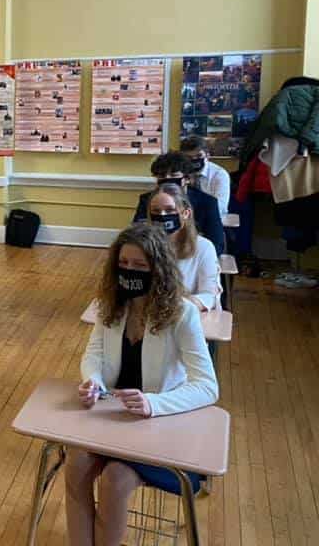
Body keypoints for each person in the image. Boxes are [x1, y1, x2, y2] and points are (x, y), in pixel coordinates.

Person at [65, 222, 218, 546]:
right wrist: (93, 382)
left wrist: (153, 403)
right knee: (76, 464)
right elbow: (94, 354)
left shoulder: (182, 314)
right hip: (111, 419)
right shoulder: (111, 304)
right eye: (123, 264)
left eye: (139, 265)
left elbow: (207, 385)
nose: (129, 272)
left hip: (158, 427)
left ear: (157, 269)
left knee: (115, 479)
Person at [133, 151, 224, 255]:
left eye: (174, 175)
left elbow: (217, 244)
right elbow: (137, 235)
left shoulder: (207, 202)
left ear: (187, 179)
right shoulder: (146, 200)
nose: (167, 179)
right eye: (162, 176)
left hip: (192, 255)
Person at [146, 184, 220, 312]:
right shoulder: (142, 245)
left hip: (186, 314)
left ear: (186, 213)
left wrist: (180, 305)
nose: (162, 215)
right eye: (156, 211)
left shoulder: (204, 247)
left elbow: (209, 296)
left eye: (169, 210)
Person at [179, 135, 230, 216]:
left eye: (199, 155)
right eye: (189, 157)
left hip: (212, 218)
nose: (194, 159)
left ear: (207, 155)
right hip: (185, 218)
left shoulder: (219, 175)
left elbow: (220, 207)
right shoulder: (180, 173)